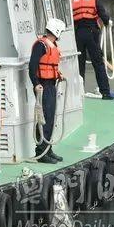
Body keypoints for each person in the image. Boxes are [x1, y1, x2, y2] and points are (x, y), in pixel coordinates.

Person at [29, 18, 67, 164]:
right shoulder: (41, 45)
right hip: (43, 85)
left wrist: (58, 74)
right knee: (44, 118)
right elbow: (32, 66)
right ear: (56, 31)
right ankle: (41, 152)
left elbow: (51, 66)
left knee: (51, 118)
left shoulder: (52, 45)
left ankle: (47, 149)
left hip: (51, 84)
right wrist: (35, 83)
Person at [71, 0, 112, 99]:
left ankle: (79, 92)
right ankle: (105, 92)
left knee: (80, 64)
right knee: (98, 63)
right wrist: (107, 22)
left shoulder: (73, 0)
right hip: (91, 33)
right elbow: (103, 15)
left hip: (78, 34)